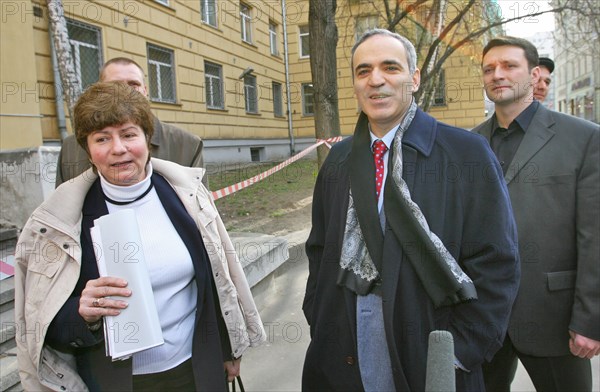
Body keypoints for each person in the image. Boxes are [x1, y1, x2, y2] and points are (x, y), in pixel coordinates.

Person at [302, 29, 520, 391]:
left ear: (415, 78)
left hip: (429, 355)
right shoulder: (338, 161)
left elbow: (497, 263)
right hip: (343, 353)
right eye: (363, 70)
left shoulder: (466, 154)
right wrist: (320, 319)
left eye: (390, 67)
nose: (376, 80)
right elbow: (319, 250)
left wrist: (457, 352)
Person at [15, 81, 265, 391]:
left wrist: (229, 350)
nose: (118, 148)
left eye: (129, 134)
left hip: (197, 369)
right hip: (117, 382)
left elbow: (216, 280)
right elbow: (41, 323)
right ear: (88, 150)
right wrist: (82, 312)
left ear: (147, 140)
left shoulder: (185, 196)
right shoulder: (59, 222)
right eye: (102, 138)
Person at [473, 36, 600, 391]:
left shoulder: (584, 139)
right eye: (489, 68)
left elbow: (595, 236)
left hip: (555, 317)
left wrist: (591, 319)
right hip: (484, 318)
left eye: (509, 66)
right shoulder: (469, 144)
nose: (497, 74)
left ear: (534, 74)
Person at [55, 57, 207, 187]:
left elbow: (200, 210)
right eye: (116, 86)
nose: (125, 92)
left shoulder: (186, 145)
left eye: (133, 85)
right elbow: (63, 211)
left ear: (145, 91)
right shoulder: (71, 148)